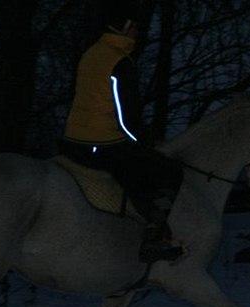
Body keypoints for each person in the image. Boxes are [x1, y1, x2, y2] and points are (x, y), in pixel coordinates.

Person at [60, 1, 184, 263]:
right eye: (135, 27)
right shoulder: (118, 62)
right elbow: (125, 118)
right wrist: (145, 143)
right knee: (169, 171)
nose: (138, 32)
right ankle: (154, 238)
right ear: (126, 27)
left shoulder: (93, 52)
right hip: (101, 143)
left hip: (74, 137)